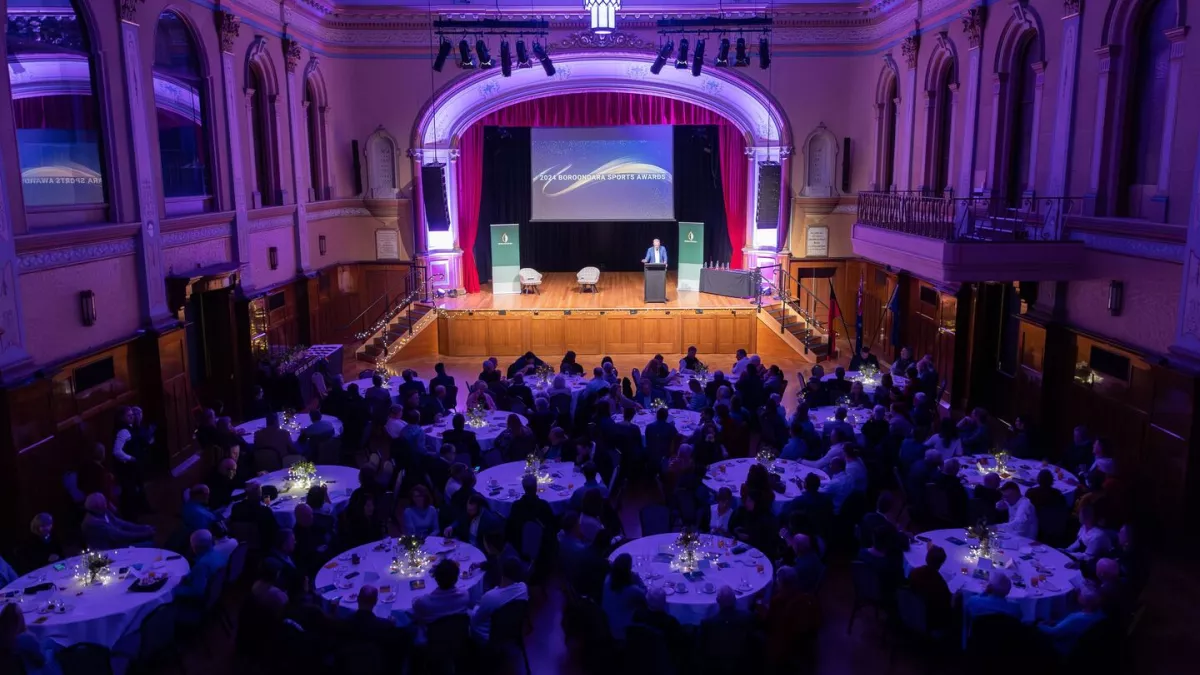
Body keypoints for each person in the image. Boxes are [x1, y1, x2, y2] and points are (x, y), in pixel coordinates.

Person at [470, 557, 529, 643]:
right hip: (512, 628)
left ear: (501, 572)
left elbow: (476, 620)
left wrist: (476, 607)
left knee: (468, 613)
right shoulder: (523, 588)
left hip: (490, 636)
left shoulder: (490, 597)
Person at [342, 584, 411, 655]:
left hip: (350, 659)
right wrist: (392, 624)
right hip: (377, 660)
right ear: (376, 601)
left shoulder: (346, 621)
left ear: (358, 599)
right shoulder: (385, 625)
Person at [1037, 586, 1106, 655]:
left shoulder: (1078, 619)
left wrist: (1038, 625)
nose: (1078, 593)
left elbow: (1053, 632)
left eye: (1081, 593)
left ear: (1083, 600)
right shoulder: (1100, 614)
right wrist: (1055, 622)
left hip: (1063, 650)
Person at [174, 529, 231, 606]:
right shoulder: (219, 555)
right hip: (217, 595)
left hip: (199, 604)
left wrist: (174, 590)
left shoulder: (201, 566)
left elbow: (197, 592)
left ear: (195, 548)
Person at [1, 602, 60, 675]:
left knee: (49, 641)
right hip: (31, 670)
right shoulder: (25, 638)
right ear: (19, 618)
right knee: (51, 651)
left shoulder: (4, 637)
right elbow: (41, 660)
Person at [505, 474, 558, 556]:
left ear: (523, 488)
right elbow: (553, 526)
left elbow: (510, 527)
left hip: (520, 545)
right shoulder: (543, 505)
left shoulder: (516, 506)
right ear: (536, 487)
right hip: (542, 547)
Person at [411, 559, 471, 629]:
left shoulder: (424, 602)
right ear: (456, 579)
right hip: (459, 632)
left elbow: (415, 613)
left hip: (432, 636)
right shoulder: (465, 596)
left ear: (435, 578)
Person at [81, 492, 154, 549]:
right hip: (109, 551)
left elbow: (121, 523)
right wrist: (144, 534)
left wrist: (142, 528)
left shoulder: (103, 512)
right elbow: (119, 535)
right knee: (149, 544)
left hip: (116, 543)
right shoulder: (93, 524)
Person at [907, 543, 953, 630]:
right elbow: (946, 607)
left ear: (926, 558)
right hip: (931, 620)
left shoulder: (914, 572)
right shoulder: (940, 584)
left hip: (911, 611)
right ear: (941, 563)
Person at [601, 553, 646, 640]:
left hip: (606, 624)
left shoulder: (608, 578)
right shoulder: (631, 590)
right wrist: (638, 579)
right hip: (622, 632)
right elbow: (646, 595)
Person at [230, 482, 279, 548]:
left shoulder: (236, 508)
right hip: (264, 545)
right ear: (260, 494)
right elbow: (275, 531)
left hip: (242, 543)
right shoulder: (265, 511)